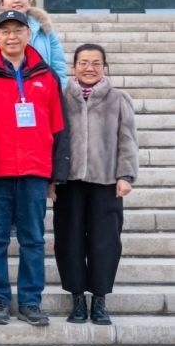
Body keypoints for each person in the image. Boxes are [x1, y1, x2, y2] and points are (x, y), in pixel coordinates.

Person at [0, 9, 69, 327]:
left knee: (33, 239)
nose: (11, 36)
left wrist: (57, 174)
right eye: (5, 31)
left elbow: (59, 126)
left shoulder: (46, 75)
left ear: (29, 34)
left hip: (35, 169)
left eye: (18, 30)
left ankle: (30, 300)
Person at [56, 44, 139, 326]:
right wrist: (52, 178)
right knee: (69, 239)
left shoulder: (118, 99)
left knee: (105, 241)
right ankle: (77, 299)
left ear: (104, 66)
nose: (89, 68)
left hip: (106, 181)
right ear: (74, 66)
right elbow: (53, 139)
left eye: (95, 63)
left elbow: (127, 140)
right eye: (83, 62)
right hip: (69, 181)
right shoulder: (62, 97)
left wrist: (126, 176)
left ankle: (100, 299)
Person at [0, 0, 68, 85]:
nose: (17, 0)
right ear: (1, 3)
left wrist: (59, 86)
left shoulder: (44, 28)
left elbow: (58, 63)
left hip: (43, 86)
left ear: (29, 0)